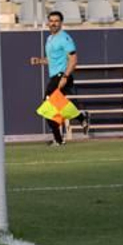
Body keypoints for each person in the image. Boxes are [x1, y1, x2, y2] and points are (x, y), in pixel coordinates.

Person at [36, 11, 77, 147]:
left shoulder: (64, 38)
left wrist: (65, 76)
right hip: (54, 76)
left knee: (46, 107)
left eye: (56, 21)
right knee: (53, 108)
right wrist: (39, 61)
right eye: (51, 21)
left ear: (61, 23)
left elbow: (73, 59)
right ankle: (60, 138)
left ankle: (59, 139)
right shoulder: (49, 39)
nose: (53, 23)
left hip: (61, 76)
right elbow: (53, 60)